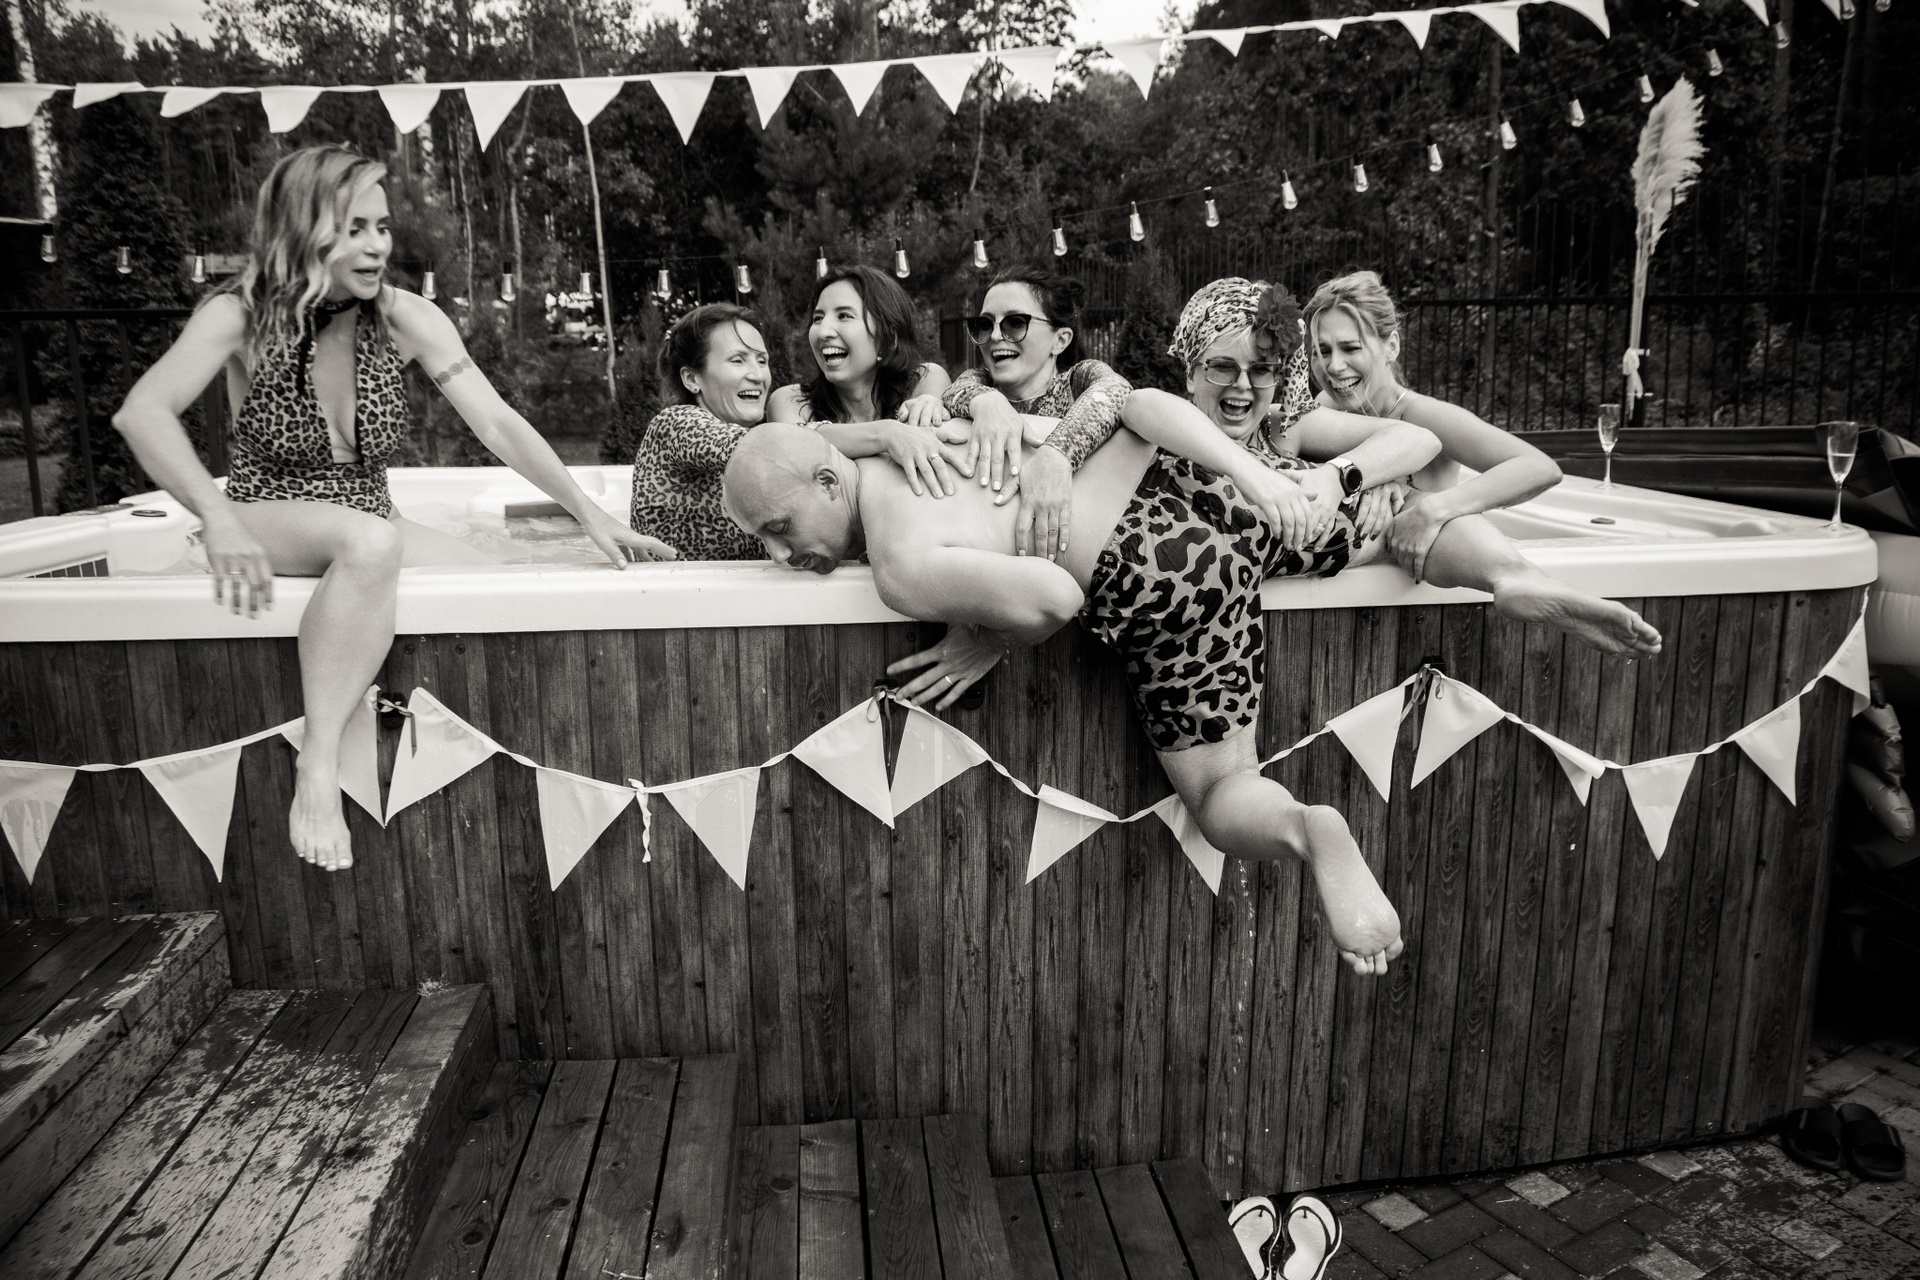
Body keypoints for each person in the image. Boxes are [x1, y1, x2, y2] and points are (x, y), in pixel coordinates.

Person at [722, 392, 1447, 975]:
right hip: (1197, 481)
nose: (779, 553)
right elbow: (819, 441)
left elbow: (1055, 598)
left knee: (1222, 793)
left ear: (827, 485)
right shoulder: (919, 436)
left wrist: (986, 640)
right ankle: (1436, 510)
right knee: (1384, 527)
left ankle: (1306, 828)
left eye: (779, 528)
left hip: (1154, 570)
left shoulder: (898, 564)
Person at [111, 144, 673, 873]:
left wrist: (588, 514)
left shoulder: (405, 317)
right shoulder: (239, 314)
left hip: (366, 509)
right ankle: (318, 764)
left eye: (381, 227)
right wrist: (215, 520)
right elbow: (143, 414)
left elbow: (496, 423)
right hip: (265, 509)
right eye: (355, 229)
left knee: (501, 582)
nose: (377, 244)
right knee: (372, 545)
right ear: (304, 227)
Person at [1180, 275, 1662, 658]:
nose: (1334, 365)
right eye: (1322, 351)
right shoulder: (1314, 413)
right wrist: (1373, 474)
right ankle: (1514, 577)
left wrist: (1435, 509)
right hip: (1356, 559)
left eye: (1350, 348)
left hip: (1432, 564)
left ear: (1390, 347)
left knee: (1419, 506)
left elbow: (1537, 467)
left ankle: (1517, 579)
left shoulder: (1421, 414)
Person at [633, 301, 968, 560]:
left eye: (761, 360)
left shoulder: (765, 441)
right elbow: (788, 446)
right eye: (738, 360)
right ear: (691, 378)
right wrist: (886, 434)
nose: (757, 375)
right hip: (676, 607)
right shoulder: (674, 425)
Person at [940, 264, 1134, 560]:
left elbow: (1117, 391)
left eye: (1015, 322)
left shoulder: (1078, 381)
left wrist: (1057, 455)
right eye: (984, 324)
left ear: (1060, 340)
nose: (995, 336)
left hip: (1086, 554)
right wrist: (988, 401)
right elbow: (956, 391)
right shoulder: (977, 384)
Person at [766, 263, 954, 433]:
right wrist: (885, 435)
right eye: (818, 318)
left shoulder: (923, 380)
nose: (823, 332)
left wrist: (931, 403)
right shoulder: (791, 402)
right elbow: (800, 444)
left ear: (888, 340)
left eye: (844, 316)